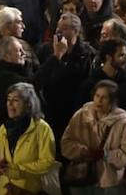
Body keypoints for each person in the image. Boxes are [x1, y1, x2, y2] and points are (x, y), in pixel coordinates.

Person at [35, 13, 97, 141]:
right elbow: (38, 77)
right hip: (50, 109)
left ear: (76, 31)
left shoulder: (88, 54)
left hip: (75, 109)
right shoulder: (45, 50)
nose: (58, 31)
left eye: (64, 28)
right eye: (58, 27)